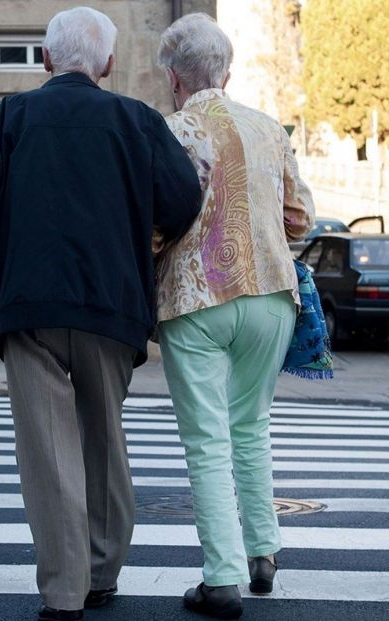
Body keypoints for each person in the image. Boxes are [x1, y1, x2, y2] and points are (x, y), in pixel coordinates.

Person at [0, 7, 202, 620]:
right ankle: (102, 571)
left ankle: (64, 593)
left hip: (28, 307)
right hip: (111, 305)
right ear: (109, 64)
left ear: (45, 60)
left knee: (48, 451)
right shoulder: (136, 120)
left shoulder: (6, 117)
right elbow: (184, 198)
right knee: (103, 438)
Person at [154, 13, 315, 620]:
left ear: (173, 77)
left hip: (196, 298)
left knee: (206, 439)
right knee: (252, 425)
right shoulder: (269, 128)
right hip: (273, 296)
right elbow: (298, 216)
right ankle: (264, 553)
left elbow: (156, 220)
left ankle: (221, 579)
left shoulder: (172, 129)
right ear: (228, 70)